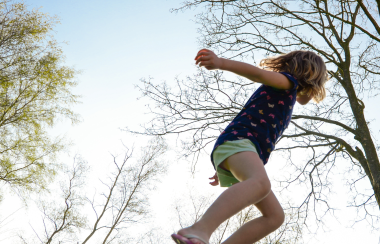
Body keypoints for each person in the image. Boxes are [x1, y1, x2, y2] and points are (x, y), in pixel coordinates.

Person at [171, 49, 328, 244]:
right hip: (239, 141)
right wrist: (221, 63)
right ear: (309, 75)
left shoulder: (288, 92)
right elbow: (258, 73)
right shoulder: (287, 82)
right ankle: (198, 229)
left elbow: (303, 100)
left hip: (240, 149)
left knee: (275, 216)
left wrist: (228, 165)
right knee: (261, 184)